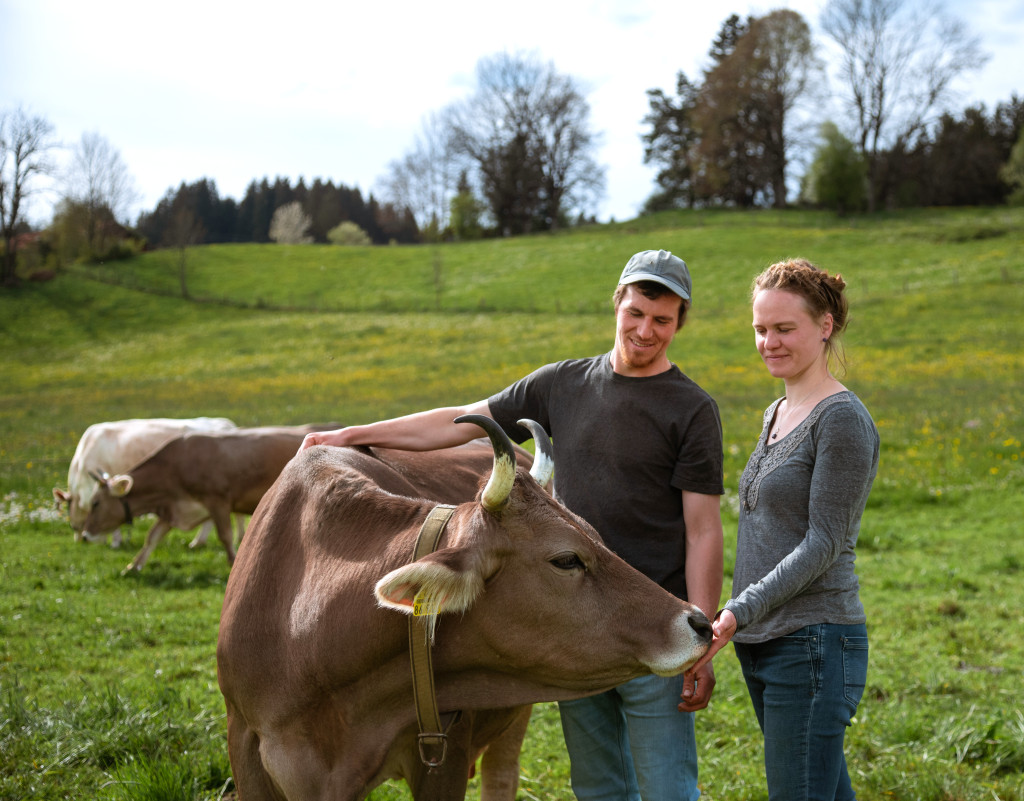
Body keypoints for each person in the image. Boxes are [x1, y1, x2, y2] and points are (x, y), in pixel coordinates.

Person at [299, 249, 725, 801]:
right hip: (581, 627)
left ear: (679, 322)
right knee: (597, 787)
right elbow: (459, 423)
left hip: (653, 621)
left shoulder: (692, 409)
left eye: (662, 320)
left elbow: (703, 530)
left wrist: (704, 639)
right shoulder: (562, 384)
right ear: (617, 304)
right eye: (637, 312)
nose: (646, 331)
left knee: (668, 790)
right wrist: (352, 435)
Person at [686, 258, 879, 801]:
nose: (769, 341)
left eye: (784, 328)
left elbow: (826, 541)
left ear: (825, 326)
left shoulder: (839, 418)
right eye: (760, 329)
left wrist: (736, 610)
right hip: (766, 640)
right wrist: (743, 621)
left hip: (813, 641)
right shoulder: (776, 411)